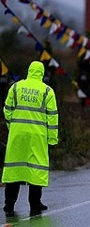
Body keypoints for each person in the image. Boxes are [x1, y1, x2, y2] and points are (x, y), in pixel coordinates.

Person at [2, 61, 58, 217]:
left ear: (29, 71)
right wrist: (52, 139)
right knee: (36, 169)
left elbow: (7, 110)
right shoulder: (47, 91)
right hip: (37, 136)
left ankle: (9, 205)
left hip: (17, 135)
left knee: (14, 170)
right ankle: (35, 204)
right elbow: (52, 118)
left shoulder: (15, 87)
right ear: (41, 73)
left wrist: (12, 126)